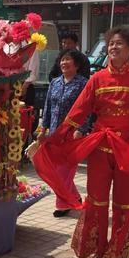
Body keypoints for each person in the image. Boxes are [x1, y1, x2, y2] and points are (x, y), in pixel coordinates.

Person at [35, 27, 129, 258]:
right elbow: (78, 111)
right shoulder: (97, 79)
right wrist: (56, 136)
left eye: (119, 43)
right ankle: (98, 253)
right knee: (98, 201)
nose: (113, 48)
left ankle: (121, 252)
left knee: (125, 202)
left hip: (128, 149)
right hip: (101, 147)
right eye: (111, 43)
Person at [38, 50, 89, 217]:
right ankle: (74, 197)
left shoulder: (83, 83)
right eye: (62, 60)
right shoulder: (55, 82)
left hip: (71, 134)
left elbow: (88, 109)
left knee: (63, 171)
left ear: (77, 65)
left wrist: (81, 129)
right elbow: (48, 107)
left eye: (68, 60)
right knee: (58, 169)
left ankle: (63, 204)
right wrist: (43, 129)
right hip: (54, 133)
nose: (63, 63)